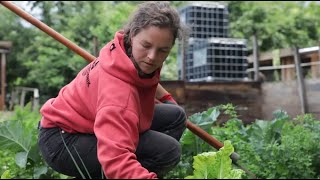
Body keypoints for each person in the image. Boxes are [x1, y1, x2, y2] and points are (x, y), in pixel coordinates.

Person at [38, 1, 188, 179]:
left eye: (163, 50)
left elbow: (144, 78)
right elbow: (116, 161)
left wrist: (166, 98)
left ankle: (128, 148)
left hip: (90, 119)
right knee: (167, 151)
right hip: (63, 140)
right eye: (146, 46)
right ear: (132, 35)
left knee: (176, 116)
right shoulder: (118, 96)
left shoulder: (124, 50)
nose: (152, 57)